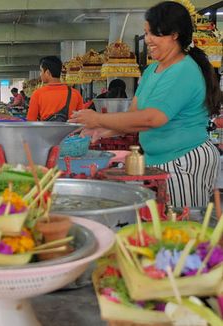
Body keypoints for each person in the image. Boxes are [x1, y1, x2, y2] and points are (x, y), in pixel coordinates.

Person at [70, 1, 222, 208]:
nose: (148, 40)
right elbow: (134, 115)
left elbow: (152, 118)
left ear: (174, 34)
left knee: (178, 223)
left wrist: (97, 118)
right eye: (146, 33)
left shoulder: (183, 70)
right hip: (156, 160)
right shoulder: (152, 71)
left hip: (184, 159)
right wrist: (101, 130)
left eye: (154, 34)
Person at [27, 56, 84, 122]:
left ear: (48, 72)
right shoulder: (75, 93)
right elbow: (81, 120)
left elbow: (31, 121)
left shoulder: (37, 94)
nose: (40, 74)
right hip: (69, 132)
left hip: (46, 132)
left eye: (41, 71)